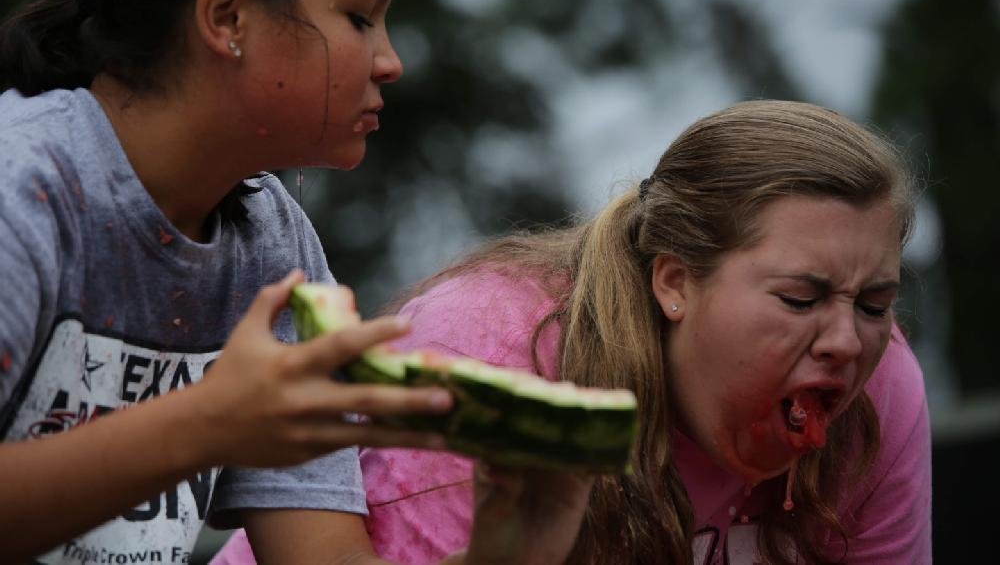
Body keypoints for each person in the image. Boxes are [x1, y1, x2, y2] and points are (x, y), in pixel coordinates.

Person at [0, 0, 593, 563]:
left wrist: (501, 557)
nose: (390, 61)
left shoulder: (271, 240)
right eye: (360, 17)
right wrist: (207, 424)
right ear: (226, 17)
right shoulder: (20, 183)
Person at [213, 100, 934, 565]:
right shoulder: (489, 361)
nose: (847, 340)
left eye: (874, 304)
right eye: (800, 297)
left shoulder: (879, 389)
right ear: (675, 282)